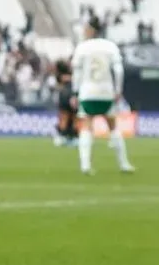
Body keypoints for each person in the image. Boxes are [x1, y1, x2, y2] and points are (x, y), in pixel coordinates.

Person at [70, 19, 135, 175]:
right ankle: (123, 164)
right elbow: (118, 70)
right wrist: (118, 90)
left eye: (87, 28)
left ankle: (85, 165)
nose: (84, 31)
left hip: (87, 91)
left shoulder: (82, 47)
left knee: (86, 125)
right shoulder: (110, 46)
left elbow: (77, 73)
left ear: (92, 30)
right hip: (106, 91)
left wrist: (75, 92)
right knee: (113, 126)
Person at [53, 60, 78, 147]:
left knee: (73, 118)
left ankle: (72, 137)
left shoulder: (73, 74)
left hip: (72, 96)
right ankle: (62, 137)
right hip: (66, 97)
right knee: (65, 117)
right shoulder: (60, 76)